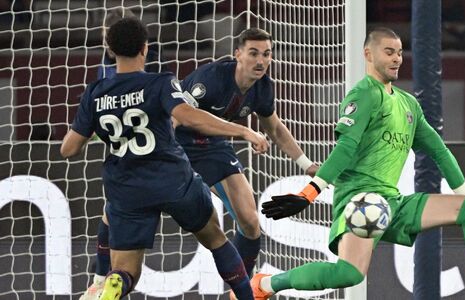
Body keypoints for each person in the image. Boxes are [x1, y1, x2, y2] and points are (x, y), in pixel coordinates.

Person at [253, 27, 465, 300]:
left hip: (391, 202)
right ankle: (265, 285)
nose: (397, 58)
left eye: (399, 52)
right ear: (368, 54)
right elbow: (344, 150)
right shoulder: (363, 96)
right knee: (348, 274)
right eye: (389, 52)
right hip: (360, 201)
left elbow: (439, 152)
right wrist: (309, 194)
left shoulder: (408, 104)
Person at [61, 17, 268, 300]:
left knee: (126, 271)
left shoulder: (95, 94)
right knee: (216, 239)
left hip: (127, 187)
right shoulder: (160, 83)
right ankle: (246, 296)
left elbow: (69, 149)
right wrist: (243, 130)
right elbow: (189, 116)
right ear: (145, 48)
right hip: (173, 180)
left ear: (109, 50)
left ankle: (111, 282)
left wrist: (99, 127)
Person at [174, 28, 319, 282]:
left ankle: (242, 290)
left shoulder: (262, 87)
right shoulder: (210, 79)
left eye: (266, 54)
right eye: (253, 53)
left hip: (213, 147)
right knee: (145, 206)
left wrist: (306, 164)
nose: (260, 61)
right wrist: (244, 131)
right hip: (176, 145)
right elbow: (178, 116)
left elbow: (274, 127)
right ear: (238, 54)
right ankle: (103, 277)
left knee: (251, 224)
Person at [80, 8, 173, 300]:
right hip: (143, 152)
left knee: (115, 214)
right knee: (110, 213)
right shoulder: (110, 67)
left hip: (141, 155)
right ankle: (100, 279)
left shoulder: (135, 66)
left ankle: (100, 280)